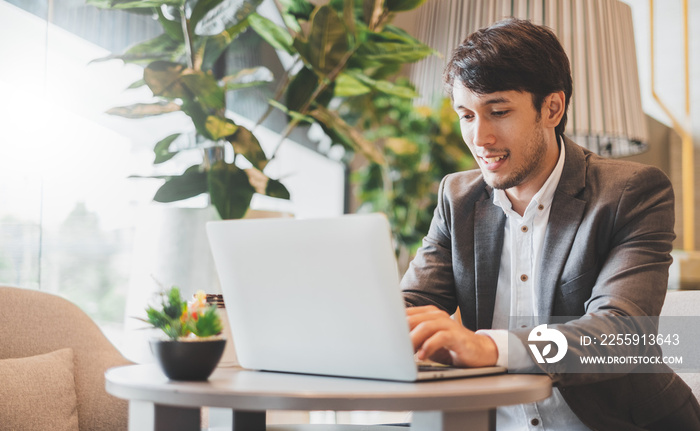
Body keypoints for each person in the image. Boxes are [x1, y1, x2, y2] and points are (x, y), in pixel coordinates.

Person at [401, 18, 700, 430]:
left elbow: (619, 334)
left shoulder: (630, 193)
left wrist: (487, 347)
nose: (480, 137)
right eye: (466, 115)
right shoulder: (458, 198)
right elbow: (411, 307)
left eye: (499, 111)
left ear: (552, 108)